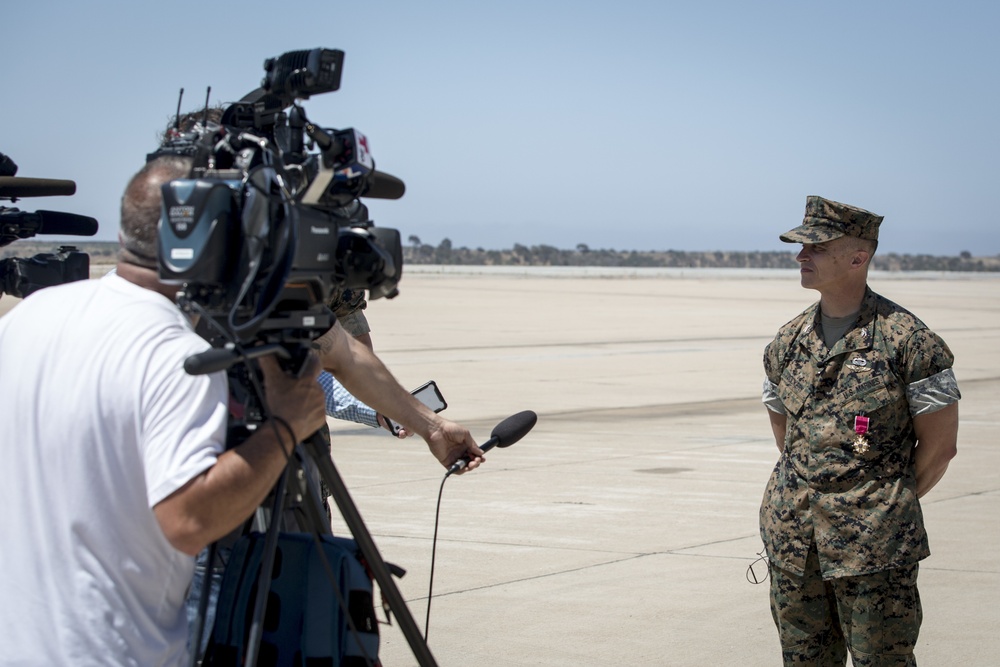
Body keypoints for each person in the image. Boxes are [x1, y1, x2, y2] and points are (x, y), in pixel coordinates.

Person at [0, 154, 483, 666]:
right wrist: (285, 428)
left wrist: (429, 425)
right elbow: (188, 520)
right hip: (121, 648)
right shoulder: (178, 352)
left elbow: (341, 351)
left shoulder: (31, 315)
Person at [759, 196, 960, 666]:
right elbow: (785, 433)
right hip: (794, 541)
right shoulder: (786, 343)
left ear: (858, 256)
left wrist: (881, 504)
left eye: (816, 247)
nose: (800, 256)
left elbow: (940, 448)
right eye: (800, 246)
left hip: (875, 550)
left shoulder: (910, 341)